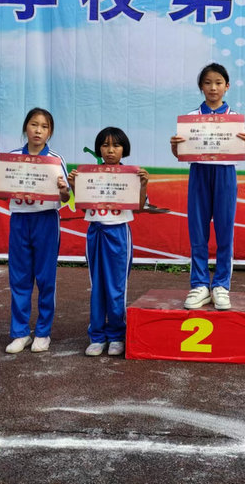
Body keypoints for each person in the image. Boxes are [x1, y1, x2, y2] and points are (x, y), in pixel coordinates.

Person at [170, 63, 245, 311]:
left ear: (227, 86)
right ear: (201, 87)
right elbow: (180, 152)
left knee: (224, 231)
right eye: (208, 83)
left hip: (225, 174)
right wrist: (175, 146)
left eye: (218, 83)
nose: (213, 87)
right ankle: (199, 285)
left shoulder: (234, 119)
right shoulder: (191, 118)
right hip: (199, 173)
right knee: (198, 231)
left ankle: (220, 286)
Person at [0, 108, 70, 354]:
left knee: (46, 279)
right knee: (19, 277)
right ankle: (20, 333)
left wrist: (63, 189)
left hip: (46, 221)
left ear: (50, 132)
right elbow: (2, 193)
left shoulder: (55, 160)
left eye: (44, 127)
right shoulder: (12, 158)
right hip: (20, 220)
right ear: (26, 127)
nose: (38, 130)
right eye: (34, 124)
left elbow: (66, 197)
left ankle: (43, 333)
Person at [68, 127, 149, 357]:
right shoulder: (90, 174)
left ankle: (116, 335)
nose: (110, 150)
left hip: (119, 233)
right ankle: (96, 336)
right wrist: (74, 185)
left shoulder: (131, 175)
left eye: (116, 145)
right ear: (99, 149)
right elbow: (83, 206)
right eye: (105, 145)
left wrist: (143, 184)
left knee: (116, 287)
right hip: (95, 231)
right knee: (97, 286)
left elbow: (139, 207)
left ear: (124, 149)